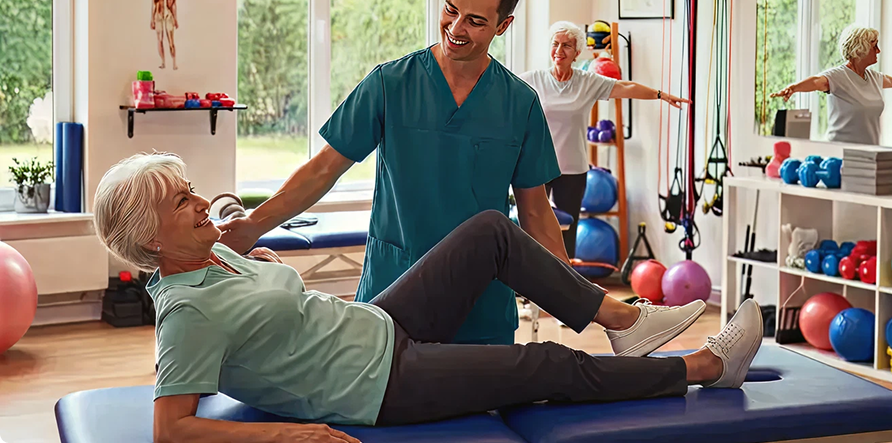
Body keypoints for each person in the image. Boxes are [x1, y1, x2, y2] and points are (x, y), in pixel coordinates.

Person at [92, 153, 763, 442]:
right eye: (180, 201)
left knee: (488, 232)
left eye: (190, 189)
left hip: (374, 323)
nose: (199, 201)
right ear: (149, 239)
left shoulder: (214, 253)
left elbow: (256, 312)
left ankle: (621, 318)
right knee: (545, 364)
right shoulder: (185, 312)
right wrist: (292, 433)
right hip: (376, 383)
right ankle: (704, 366)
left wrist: (259, 261)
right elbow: (170, 428)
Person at [219, 0, 574, 346]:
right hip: (392, 295)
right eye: (451, 10)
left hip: (480, 306)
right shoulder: (390, 84)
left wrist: (580, 299)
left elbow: (536, 212)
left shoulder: (519, 104)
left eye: (475, 21)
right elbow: (323, 170)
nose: (456, 28)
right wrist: (254, 225)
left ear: (503, 25)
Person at [519, 21, 689, 258]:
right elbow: (503, 90)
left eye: (566, 45)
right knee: (532, 230)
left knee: (567, 232)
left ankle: (564, 279)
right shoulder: (533, 79)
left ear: (577, 52)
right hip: (539, 167)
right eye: (555, 44)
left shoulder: (587, 82)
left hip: (573, 169)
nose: (559, 50)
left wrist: (660, 95)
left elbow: (626, 87)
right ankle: (529, 277)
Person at [770, 25, 892, 145]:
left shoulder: (873, 77)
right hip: (839, 153)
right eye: (874, 46)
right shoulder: (839, 76)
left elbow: (890, 81)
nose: (878, 50)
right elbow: (816, 81)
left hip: (869, 152)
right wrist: (794, 88)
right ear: (860, 49)